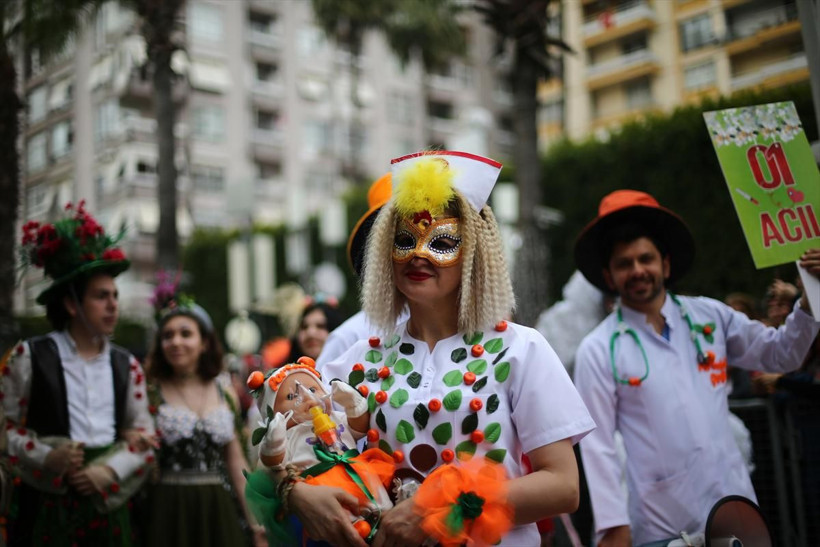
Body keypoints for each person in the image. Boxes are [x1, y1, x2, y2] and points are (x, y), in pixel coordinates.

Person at [304, 150, 595, 546]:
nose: (418, 255)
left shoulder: (520, 349)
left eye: (441, 241)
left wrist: (433, 511)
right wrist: (297, 492)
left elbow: (563, 487)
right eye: (404, 240)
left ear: (474, 253)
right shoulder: (359, 360)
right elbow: (292, 450)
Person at [572, 189, 820, 546]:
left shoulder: (710, 315)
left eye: (646, 258)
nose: (638, 270)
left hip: (738, 516)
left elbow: (781, 355)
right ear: (609, 277)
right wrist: (614, 528)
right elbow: (598, 447)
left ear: (666, 264)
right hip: (663, 531)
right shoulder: (597, 349)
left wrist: (810, 301)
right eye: (624, 264)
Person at [2, 201, 154, 546]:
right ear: (71, 304)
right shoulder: (29, 356)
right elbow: (4, 429)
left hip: (108, 507)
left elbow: (147, 438)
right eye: (101, 296)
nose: (114, 304)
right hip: (43, 505)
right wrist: (48, 456)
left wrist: (108, 471)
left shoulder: (126, 364)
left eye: (115, 295)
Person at [142, 285, 264, 547]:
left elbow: (236, 462)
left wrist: (256, 523)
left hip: (216, 508)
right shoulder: (150, 392)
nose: (176, 342)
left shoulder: (223, 390)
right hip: (168, 508)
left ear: (204, 342)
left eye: (186, 334)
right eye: (168, 336)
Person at [317, 173, 395, 370]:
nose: (418, 255)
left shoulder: (477, 337)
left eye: (440, 243)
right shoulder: (349, 338)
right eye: (400, 242)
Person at [286, 301, 343, 365]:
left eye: (320, 326)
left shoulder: (351, 371)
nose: (310, 333)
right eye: (304, 327)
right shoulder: (283, 373)